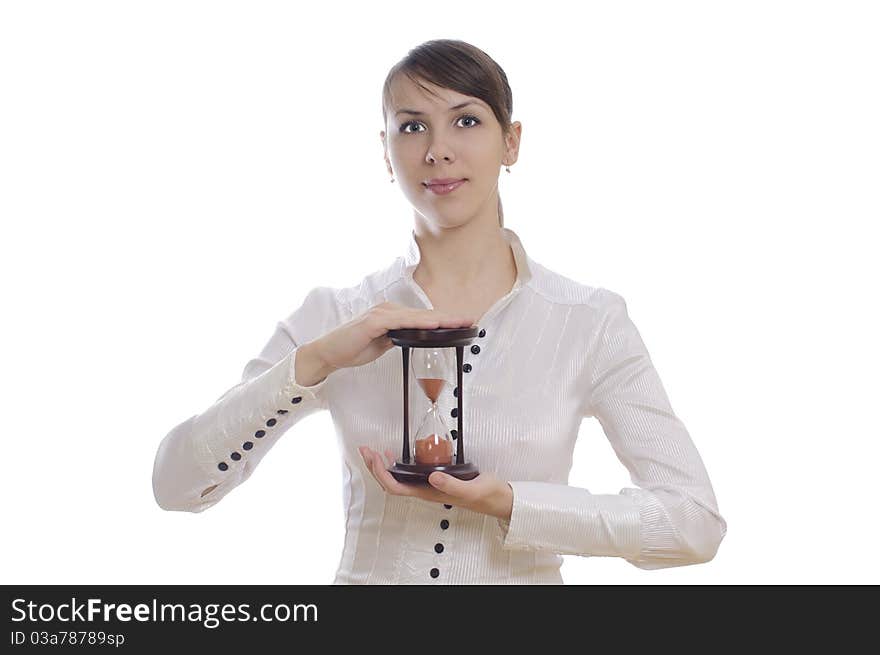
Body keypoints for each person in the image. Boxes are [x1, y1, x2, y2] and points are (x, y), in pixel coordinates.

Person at [152, 39, 727, 584]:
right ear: (385, 151)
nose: (437, 149)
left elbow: (693, 524)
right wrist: (316, 361)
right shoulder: (337, 314)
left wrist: (509, 503)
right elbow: (177, 485)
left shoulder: (588, 321)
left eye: (467, 120)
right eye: (411, 126)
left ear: (512, 142)